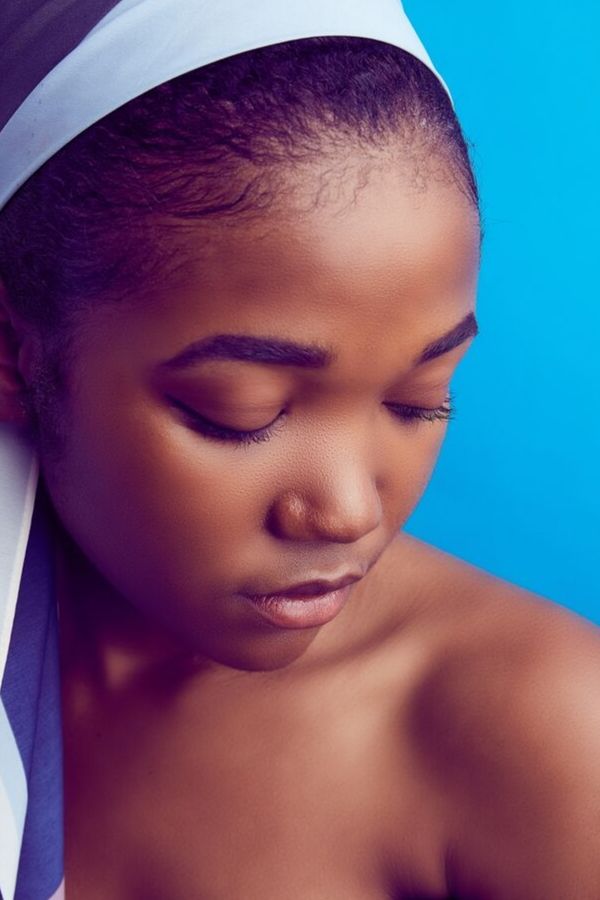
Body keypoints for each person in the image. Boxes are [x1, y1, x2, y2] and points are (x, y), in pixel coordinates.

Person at [1, 2, 599, 899]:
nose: (351, 511)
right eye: (242, 412)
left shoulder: (548, 734)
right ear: (14, 352)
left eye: (419, 400)